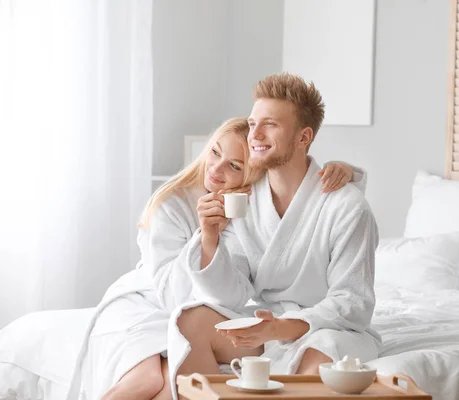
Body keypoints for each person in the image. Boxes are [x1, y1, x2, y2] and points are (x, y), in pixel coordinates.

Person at [60, 117, 361, 399]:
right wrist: (206, 236)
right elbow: (173, 296)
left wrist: (345, 170)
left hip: (201, 309)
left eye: (233, 165)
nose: (216, 169)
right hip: (148, 302)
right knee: (147, 380)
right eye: (214, 152)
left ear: (253, 176)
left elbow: (301, 205)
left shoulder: (248, 205)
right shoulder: (172, 205)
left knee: (169, 386)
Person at [174, 73, 381, 391]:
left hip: (328, 329)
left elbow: (353, 301)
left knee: (320, 355)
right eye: (252, 122)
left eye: (270, 124)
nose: (253, 134)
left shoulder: (347, 207)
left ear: (303, 137)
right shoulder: (243, 199)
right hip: (265, 325)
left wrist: (284, 328)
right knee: (191, 320)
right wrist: (210, 238)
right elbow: (233, 294)